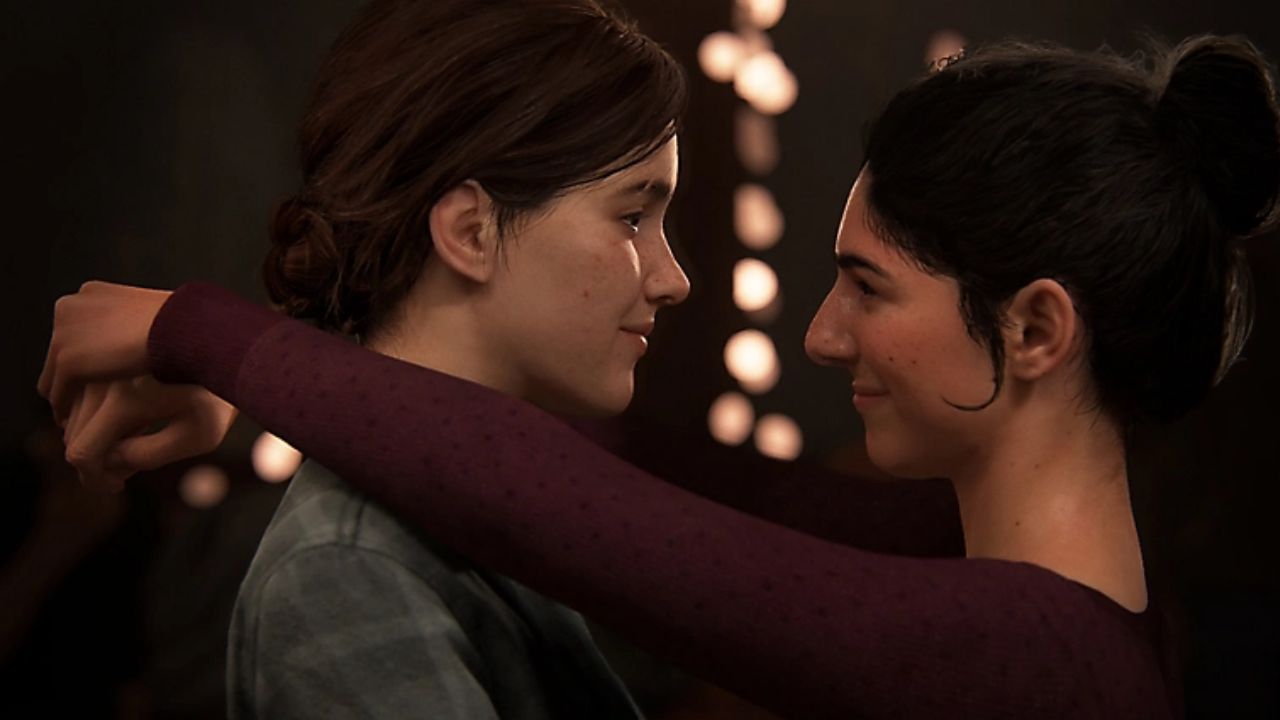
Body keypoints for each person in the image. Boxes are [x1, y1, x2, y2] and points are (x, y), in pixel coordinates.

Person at [40, 34, 1280, 719]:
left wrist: (197, 331)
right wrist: (281, 365)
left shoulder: (1026, 659)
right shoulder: (1040, 586)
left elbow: (573, 511)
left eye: (868, 288)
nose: (822, 337)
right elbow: (612, 476)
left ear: (1035, 330)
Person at [49, 0, 694, 717]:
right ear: (471, 232)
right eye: (632, 217)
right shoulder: (347, 567)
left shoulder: (475, 523)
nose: (673, 280)